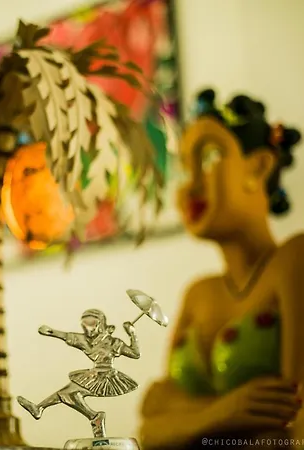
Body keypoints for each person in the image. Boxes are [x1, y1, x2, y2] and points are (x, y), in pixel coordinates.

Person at [139, 89, 303, 449]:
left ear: (258, 167)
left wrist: (181, 420)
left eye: (210, 157)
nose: (190, 187)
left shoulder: (295, 260)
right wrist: (225, 412)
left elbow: (289, 424)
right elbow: (148, 429)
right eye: (186, 167)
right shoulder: (198, 294)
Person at [17, 309, 140, 437]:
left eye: (92, 325)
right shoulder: (84, 340)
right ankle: (42, 408)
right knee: (67, 393)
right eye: (85, 326)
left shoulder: (114, 343)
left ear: (100, 325)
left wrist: (132, 334)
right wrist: (51, 332)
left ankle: (92, 416)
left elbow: (135, 353)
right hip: (92, 375)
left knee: (67, 393)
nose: (88, 330)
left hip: (106, 377)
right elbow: (67, 336)